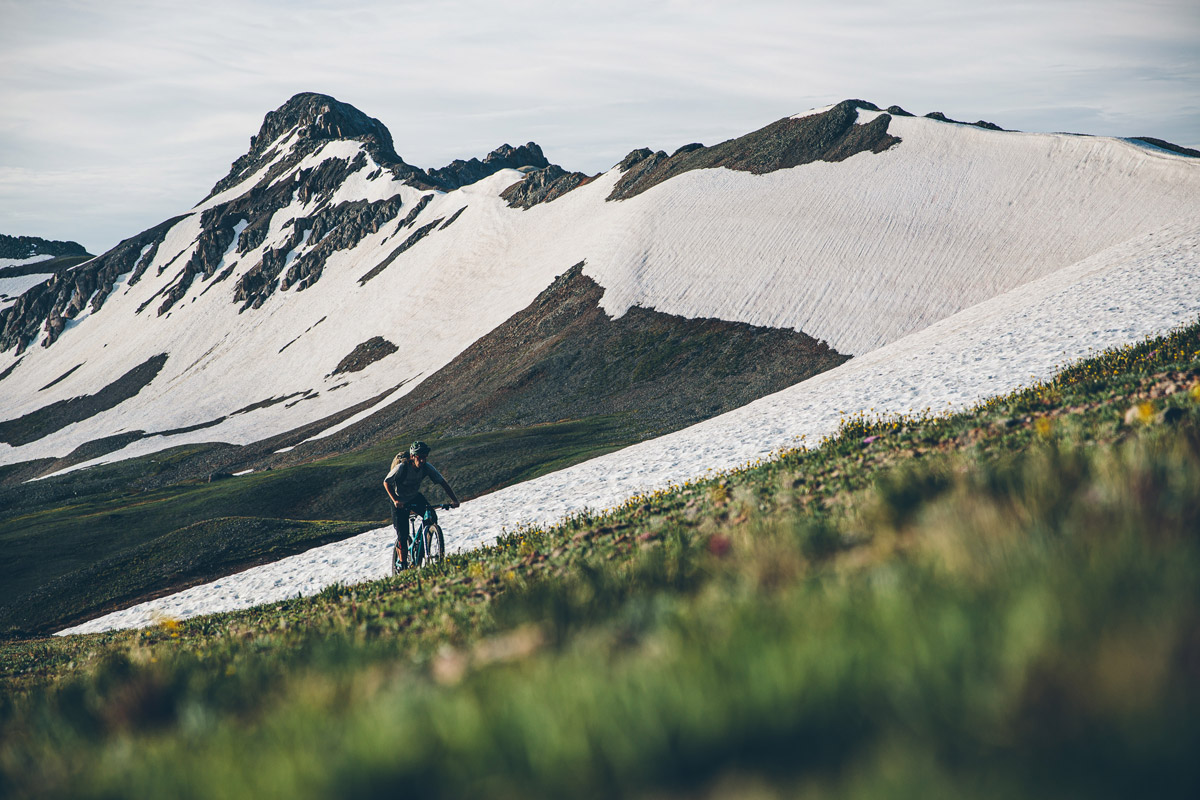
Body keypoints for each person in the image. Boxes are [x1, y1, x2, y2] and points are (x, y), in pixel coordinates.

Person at [384, 440, 461, 570]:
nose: (422, 460)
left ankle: (425, 541)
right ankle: (403, 565)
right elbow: (386, 482)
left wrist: (454, 500)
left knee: (431, 515)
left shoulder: (427, 467)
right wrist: (396, 500)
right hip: (399, 500)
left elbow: (442, 482)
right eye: (420, 457)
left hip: (414, 497)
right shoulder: (402, 467)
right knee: (403, 535)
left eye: (425, 457)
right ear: (413, 456)